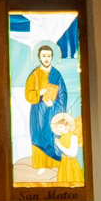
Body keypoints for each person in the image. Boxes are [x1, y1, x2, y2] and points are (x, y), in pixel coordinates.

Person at [25, 43, 67, 174]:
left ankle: (54, 163)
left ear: (52, 57)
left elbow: (63, 95)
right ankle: (41, 164)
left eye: (49, 56)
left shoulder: (56, 75)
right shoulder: (35, 74)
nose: (46, 58)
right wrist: (40, 93)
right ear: (39, 57)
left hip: (53, 111)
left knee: (53, 135)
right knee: (38, 135)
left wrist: (54, 105)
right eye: (44, 56)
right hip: (38, 112)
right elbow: (28, 94)